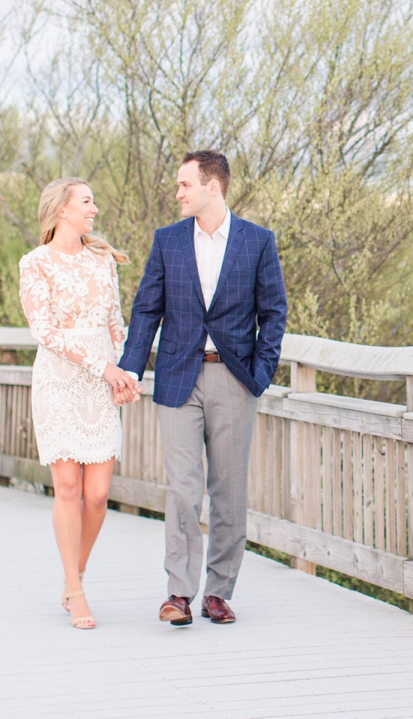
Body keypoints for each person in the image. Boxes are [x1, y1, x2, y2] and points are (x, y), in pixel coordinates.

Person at [119, 150, 288, 626]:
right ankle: (179, 593)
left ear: (212, 187)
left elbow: (274, 313)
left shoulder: (257, 241)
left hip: (235, 378)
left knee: (229, 490)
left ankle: (218, 592)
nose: (177, 193)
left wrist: (261, 371)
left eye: (184, 185)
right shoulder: (168, 241)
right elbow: (146, 309)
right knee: (183, 490)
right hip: (177, 377)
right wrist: (131, 369)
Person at [18, 178, 140, 630]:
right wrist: (101, 367)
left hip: (102, 381)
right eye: (87, 201)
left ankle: (77, 571)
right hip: (60, 379)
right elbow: (44, 332)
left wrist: (124, 371)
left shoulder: (102, 259)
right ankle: (75, 588)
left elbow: (115, 322)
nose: (94, 208)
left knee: (98, 494)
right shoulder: (35, 264)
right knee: (68, 489)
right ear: (62, 209)